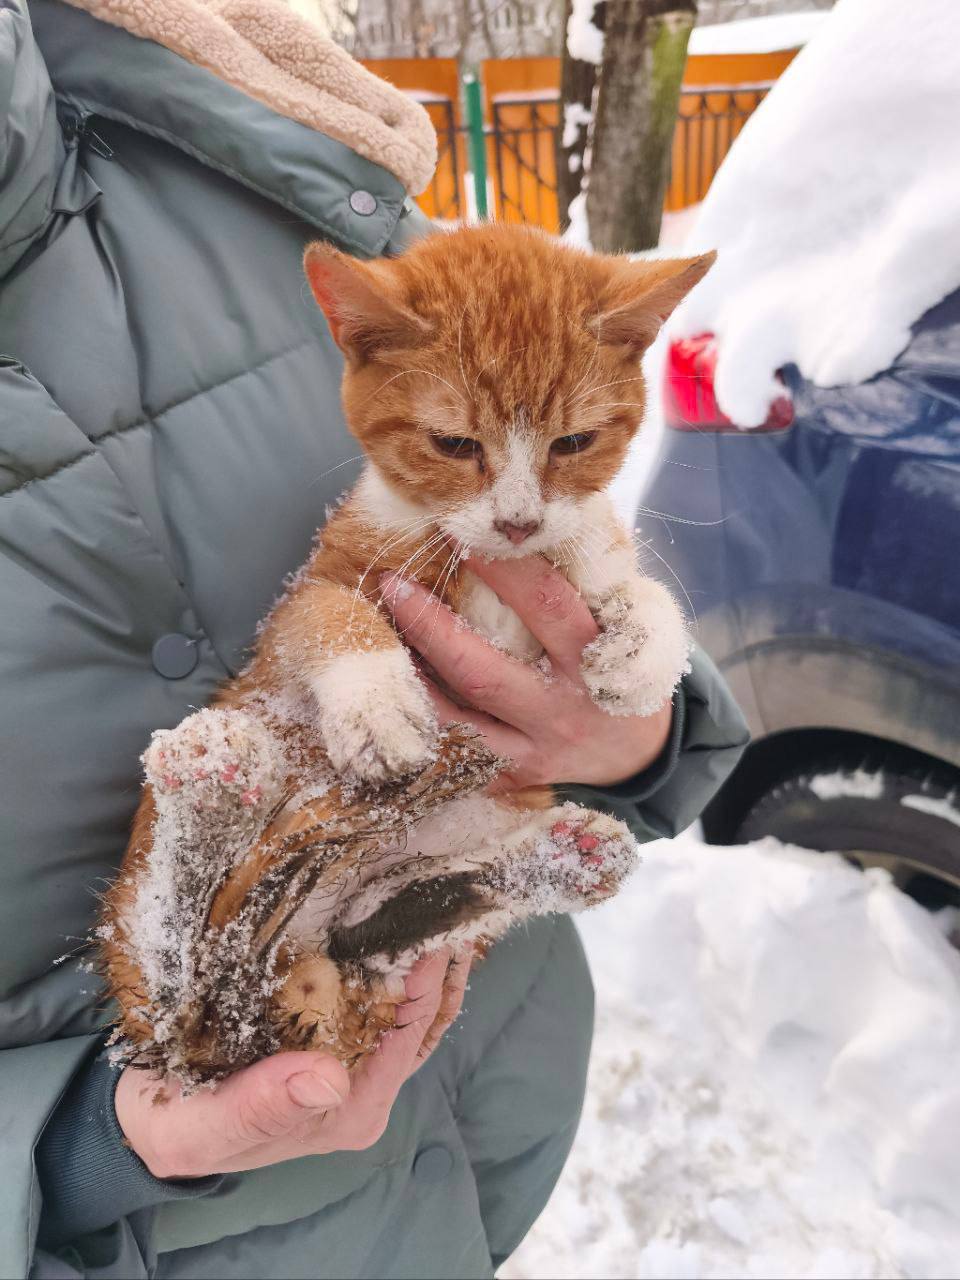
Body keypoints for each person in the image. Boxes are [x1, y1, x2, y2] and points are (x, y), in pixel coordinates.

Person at [0, 1, 750, 1276]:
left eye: (562, 450)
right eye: (461, 450)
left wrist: (640, 732)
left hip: (477, 1152)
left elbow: (601, 612)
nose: (513, 504)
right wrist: (82, 1145)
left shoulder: (251, 130)